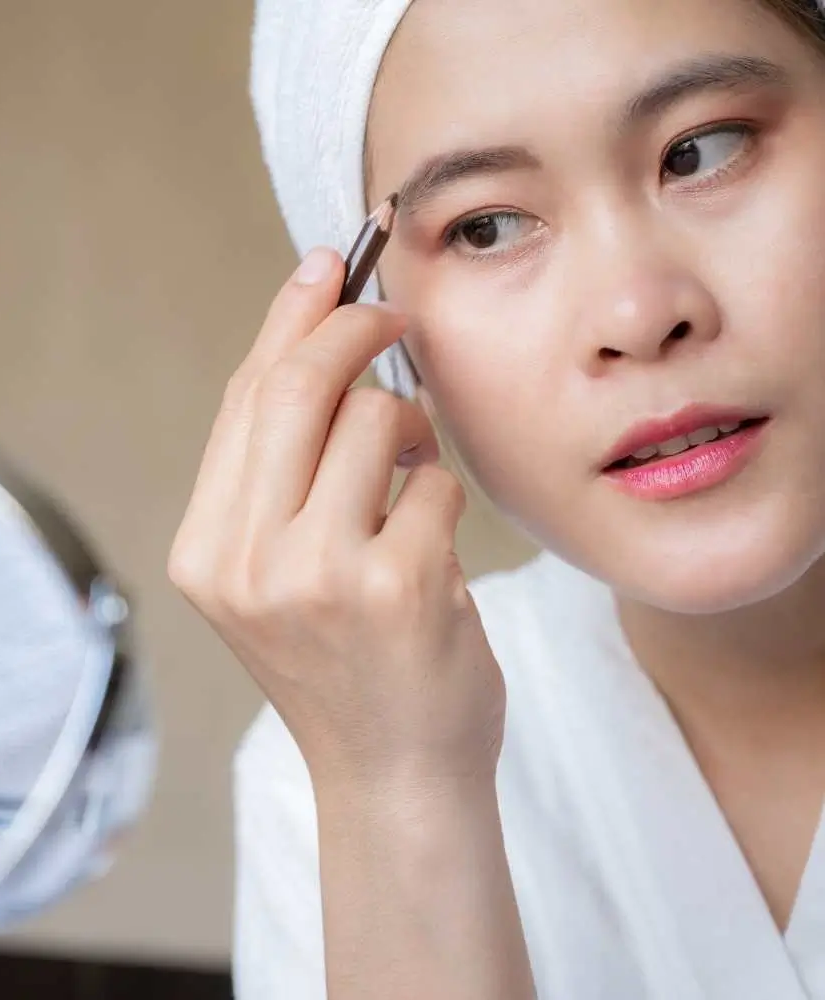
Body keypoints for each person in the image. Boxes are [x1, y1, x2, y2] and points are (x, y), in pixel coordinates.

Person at [167, 0, 825, 996]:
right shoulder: (333, 770)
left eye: (700, 151)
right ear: (375, 328)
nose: (637, 314)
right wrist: (397, 792)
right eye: (488, 226)